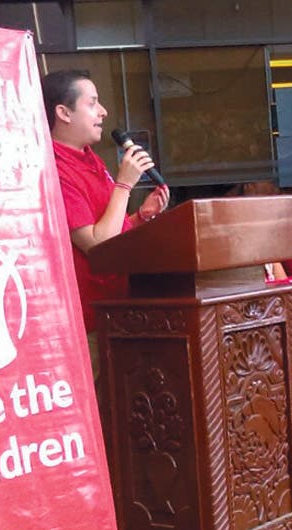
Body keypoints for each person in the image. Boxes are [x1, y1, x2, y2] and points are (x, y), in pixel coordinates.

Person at [42, 69, 169, 372]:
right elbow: (98, 246)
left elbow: (111, 230)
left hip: (118, 308)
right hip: (88, 320)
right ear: (63, 113)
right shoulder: (54, 169)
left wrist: (140, 217)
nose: (103, 112)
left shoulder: (91, 158)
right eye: (92, 103)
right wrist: (124, 185)